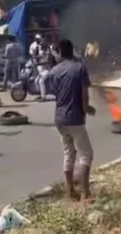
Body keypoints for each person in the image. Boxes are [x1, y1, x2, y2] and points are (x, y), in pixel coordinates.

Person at [48, 39, 96, 202]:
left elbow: (57, 93)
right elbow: (84, 94)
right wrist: (86, 109)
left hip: (59, 119)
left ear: (60, 53)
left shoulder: (53, 71)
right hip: (75, 118)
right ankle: (85, 193)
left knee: (69, 153)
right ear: (72, 51)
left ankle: (70, 192)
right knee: (86, 154)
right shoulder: (79, 68)